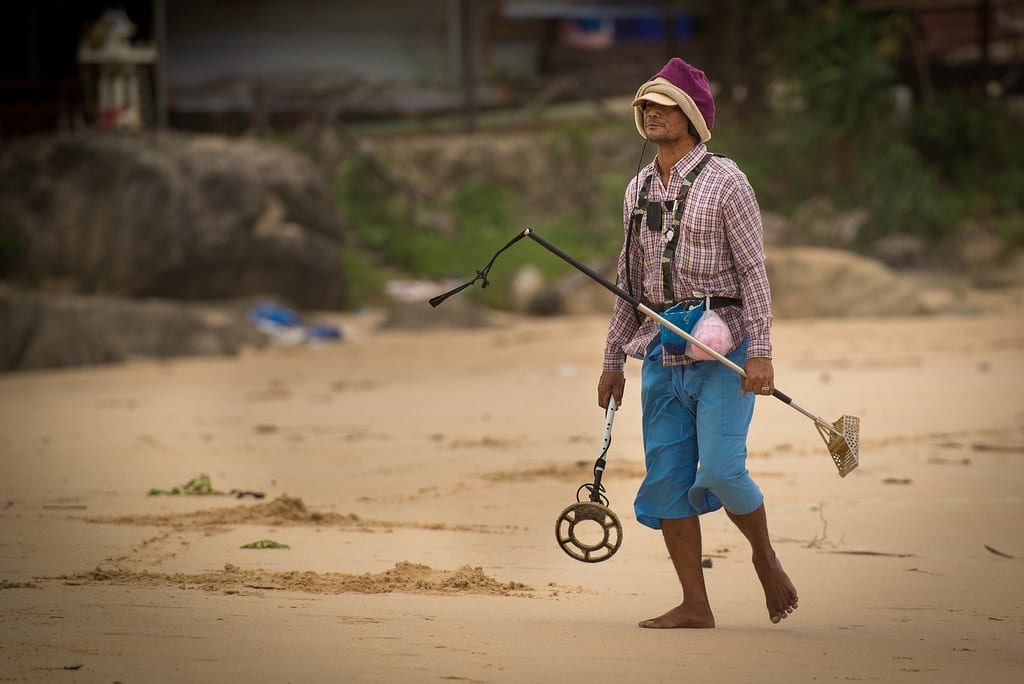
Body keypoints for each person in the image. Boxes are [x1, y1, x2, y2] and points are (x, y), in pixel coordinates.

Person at [597, 57, 798, 628]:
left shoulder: (728, 181)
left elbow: (754, 272)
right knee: (666, 481)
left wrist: (760, 350)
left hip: (724, 350)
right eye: (646, 106)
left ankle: (764, 557)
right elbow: (627, 281)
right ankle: (696, 605)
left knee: (722, 472)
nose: (651, 112)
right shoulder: (637, 188)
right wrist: (612, 359)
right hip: (660, 349)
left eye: (663, 105)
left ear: (690, 115)